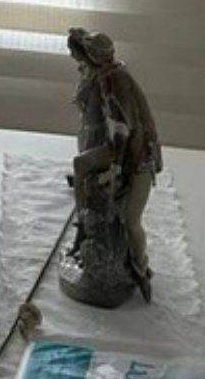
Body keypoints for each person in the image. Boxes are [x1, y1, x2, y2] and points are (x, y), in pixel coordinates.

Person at [66, 27, 162, 300]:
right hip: (115, 149)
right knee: (81, 168)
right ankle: (83, 227)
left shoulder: (114, 80)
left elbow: (123, 129)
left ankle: (140, 268)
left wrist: (115, 168)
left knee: (132, 220)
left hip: (136, 157)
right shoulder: (100, 75)